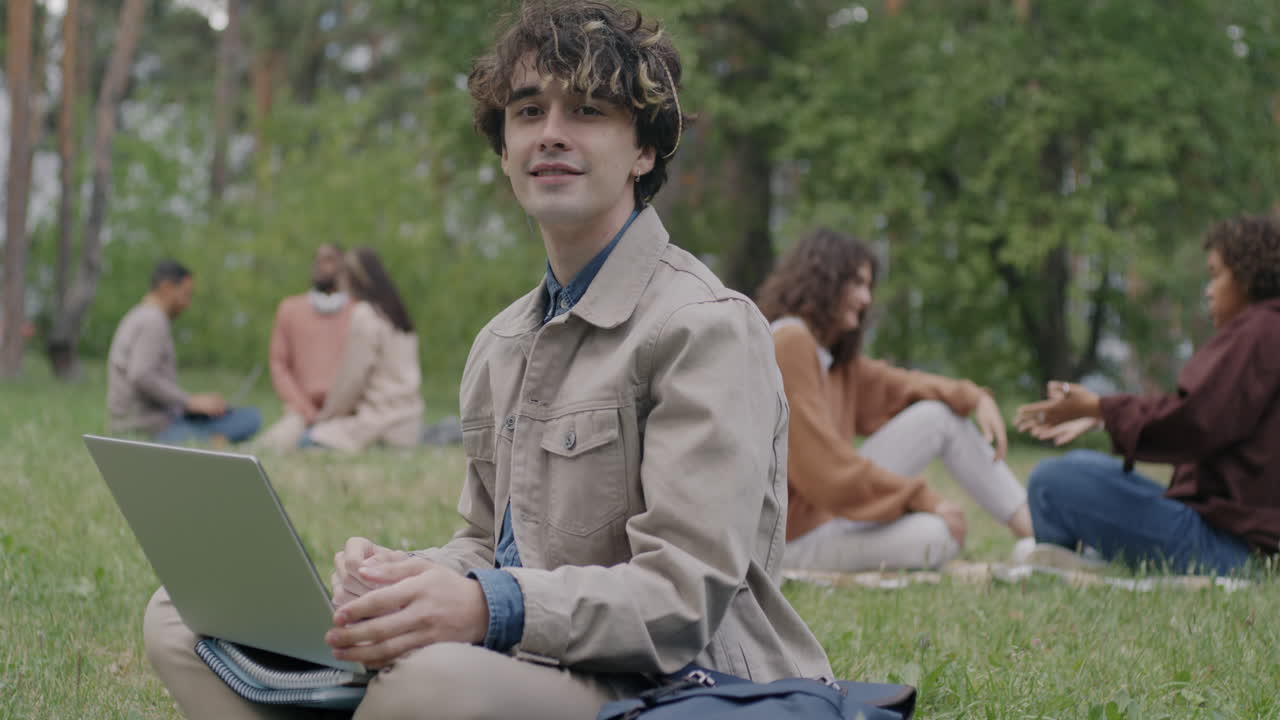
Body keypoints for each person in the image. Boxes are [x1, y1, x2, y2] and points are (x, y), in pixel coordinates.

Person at [141, 3, 832, 718]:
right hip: (534, 660)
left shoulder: (705, 329)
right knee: (184, 617)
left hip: (679, 685)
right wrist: (401, 578)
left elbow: (682, 597)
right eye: (529, 111)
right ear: (504, 149)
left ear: (644, 149)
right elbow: (488, 545)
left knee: (431, 683)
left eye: (588, 110)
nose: (552, 134)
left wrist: (484, 607)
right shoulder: (502, 342)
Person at [1014, 214, 1280, 575]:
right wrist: (1101, 414)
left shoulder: (1262, 331)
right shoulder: (1265, 332)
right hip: (1236, 541)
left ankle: (1066, 566)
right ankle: (1078, 559)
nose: (1208, 289)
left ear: (1249, 276)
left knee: (1050, 482)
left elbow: (1194, 421)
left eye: (1216, 274)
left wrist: (1102, 407)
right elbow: (1204, 417)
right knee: (1079, 466)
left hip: (1233, 551)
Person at [756, 228, 1032, 572]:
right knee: (938, 534)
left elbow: (904, 385)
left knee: (936, 417)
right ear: (822, 280)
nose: (866, 298)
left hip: (824, 518)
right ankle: (1036, 535)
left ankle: (1034, 533)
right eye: (856, 284)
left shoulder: (833, 360)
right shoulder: (789, 343)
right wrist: (923, 499)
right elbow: (826, 475)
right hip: (788, 540)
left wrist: (976, 398)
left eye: (868, 286)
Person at [106, 260, 261, 446]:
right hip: (149, 429)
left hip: (144, 421)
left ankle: (210, 439)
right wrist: (190, 402)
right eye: (186, 295)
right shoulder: (153, 321)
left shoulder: (137, 315)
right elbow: (141, 375)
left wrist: (193, 405)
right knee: (251, 419)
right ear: (167, 288)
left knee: (246, 416)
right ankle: (210, 442)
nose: (187, 304)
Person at [301, 248, 424, 452]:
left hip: (379, 424)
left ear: (352, 278)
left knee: (305, 440)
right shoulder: (398, 317)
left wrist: (326, 416)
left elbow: (352, 380)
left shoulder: (364, 315)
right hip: (410, 423)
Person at [258, 244, 355, 451]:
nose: (320, 265)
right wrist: (304, 407)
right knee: (272, 445)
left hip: (347, 412)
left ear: (342, 267)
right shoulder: (290, 309)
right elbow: (279, 364)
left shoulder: (358, 312)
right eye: (317, 260)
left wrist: (338, 407)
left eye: (328, 259)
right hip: (301, 411)